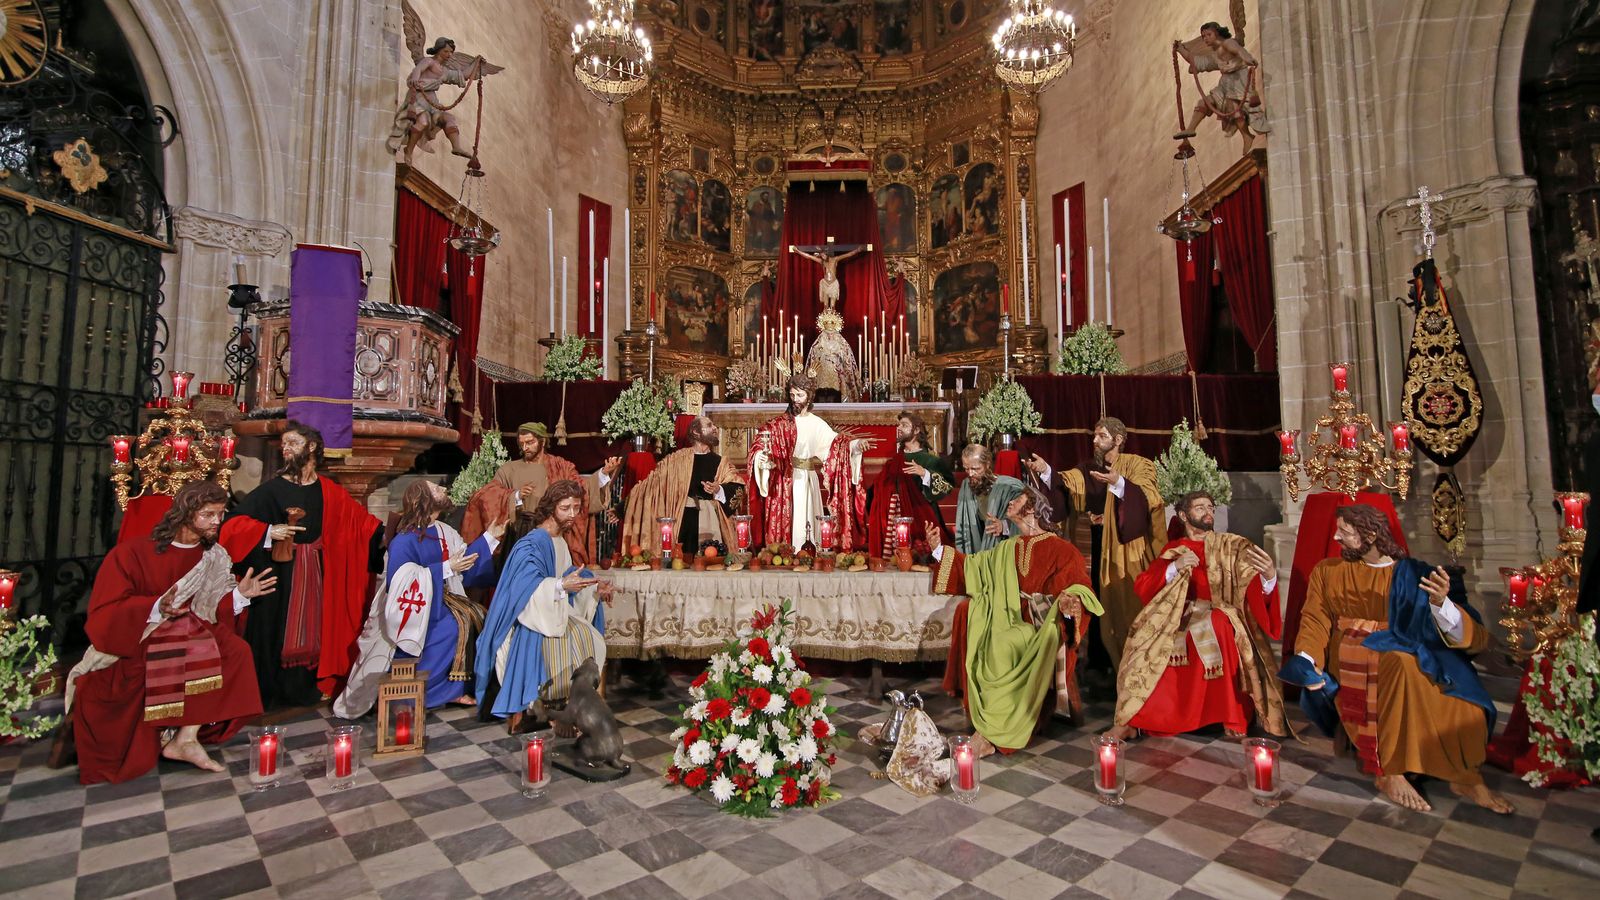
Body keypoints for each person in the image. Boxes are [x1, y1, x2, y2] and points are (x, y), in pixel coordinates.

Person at [1280, 504, 1513, 815]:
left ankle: (1464, 775)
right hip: (1352, 650)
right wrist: (1308, 662)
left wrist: (1440, 603)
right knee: (1399, 664)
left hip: (1406, 646)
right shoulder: (1328, 571)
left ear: (1372, 534)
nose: (1336, 537)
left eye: (1345, 533)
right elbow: (1314, 620)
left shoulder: (1414, 573)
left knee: (1458, 692)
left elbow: (1450, 628)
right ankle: (1390, 770)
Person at [70, 481, 274, 784]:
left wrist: (240, 597)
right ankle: (178, 737)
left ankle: (186, 737)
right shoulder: (133, 553)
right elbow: (106, 609)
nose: (217, 522)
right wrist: (155, 607)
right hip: (145, 634)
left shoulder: (214, 556)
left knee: (235, 650)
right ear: (184, 513)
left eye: (220, 514)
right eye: (208, 514)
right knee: (194, 646)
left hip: (195, 631)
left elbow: (214, 609)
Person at [221, 422, 383, 706]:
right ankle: (269, 694)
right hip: (278, 573)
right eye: (284, 444)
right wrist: (269, 532)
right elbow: (233, 525)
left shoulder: (329, 491)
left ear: (311, 447)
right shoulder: (271, 490)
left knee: (319, 626)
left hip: (317, 572)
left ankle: (309, 688)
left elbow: (362, 526)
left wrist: (395, 533)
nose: (286, 449)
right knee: (275, 628)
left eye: (293, 443)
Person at [928, 488, 1100, 755]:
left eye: (1016, 499)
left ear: (1032, 508)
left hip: (1040, 621)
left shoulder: (1062, 549)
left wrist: (1070, 601)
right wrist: (938, 550)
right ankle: (988, 723)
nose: (1009, 504)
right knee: (982, 626)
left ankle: (996, 731)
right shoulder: (1008, 547)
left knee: (1003, 644)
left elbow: (1079, 584)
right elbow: (973, 567)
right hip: (1004, 614)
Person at [1108, 491, 1287, 740]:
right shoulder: (1174, 549)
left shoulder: (1230, 546)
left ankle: (1231, 715)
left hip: (1219, 614)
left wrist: (1268, 576)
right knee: (1143, 643)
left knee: (1218, 623)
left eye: (1211, 507)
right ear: (1183, 515)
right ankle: (1134, 720)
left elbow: (1253, 589)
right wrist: (1175, 567)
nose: (1208, 512)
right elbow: (1144, 585)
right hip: (1178, 615)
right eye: (1200, 507)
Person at [334, 481, 504, 717]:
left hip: (443, 597)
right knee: (452, 627)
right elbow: (401, 579)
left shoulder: (444, 531)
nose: (444, 490)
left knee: (478, 615)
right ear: (423, 499)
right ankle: (417, 694)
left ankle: (456, 688)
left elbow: (462, 561)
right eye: (436, 489)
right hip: (415, 607)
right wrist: (445, 568)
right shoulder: (405, 539)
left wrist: (489, 539)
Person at [475, 480, 614, 733]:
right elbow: (524, 587)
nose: (572, 514)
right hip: (530, 618)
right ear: (551, 508)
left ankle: (573, 709)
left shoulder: (559, 540)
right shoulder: (532, 543)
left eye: (576, 507)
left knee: (586, 638)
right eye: (565, 508)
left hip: (554, 612)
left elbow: (568, 575)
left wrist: (593, 588)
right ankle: (554, 711)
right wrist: (560, 586)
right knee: (567, 644)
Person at [1059, 417, 1164, 671]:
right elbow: (1066, 482)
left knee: (1125, 603)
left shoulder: (1139, 464)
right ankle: (1099, 662)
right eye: (1094, 436)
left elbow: (1151, 497)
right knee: (1096, 603)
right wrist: (1045, 472)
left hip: (1126, 547)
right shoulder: (1088, 469)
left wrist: (1119, 483)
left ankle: (1134, 664)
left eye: (1102, 436)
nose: (1095, 441)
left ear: (1118, 440)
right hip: (1093, 547)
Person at [472, 422, 621, 564]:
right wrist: (515, 496)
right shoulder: (509, 470)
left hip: (555, 535)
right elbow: (488, 495)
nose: (525, 448)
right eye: (522, 443)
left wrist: (602, 474)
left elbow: (580, 489)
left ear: (542, 441)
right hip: (520, 535)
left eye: (530, 442)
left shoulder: (561, 466)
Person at [751, 372, 866, 549]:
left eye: (800, 395)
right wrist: (761, 456)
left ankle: (809, 553)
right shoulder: (778, 424)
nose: (795, 399)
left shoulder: (816, 423)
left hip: (807, 478)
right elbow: (760, 444)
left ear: (809, 396)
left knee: (808, 520)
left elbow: (836, 444)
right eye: (792, 395)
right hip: (784, 481)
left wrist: (857, 445)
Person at [621, 415, 741, 555]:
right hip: (682, 520)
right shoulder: (676, 460)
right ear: (696, 432)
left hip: (710, 520)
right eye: (709, 425)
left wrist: (719, 489)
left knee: (711, 561)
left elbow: (737, 486)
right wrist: (620, 508)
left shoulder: (722, 462)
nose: (715, 428)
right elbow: (650, 485)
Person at [1174, 21, 1270, 154]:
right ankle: (1191, 128)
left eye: (1208, 34)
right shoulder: (1214, 55)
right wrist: (1180, 49)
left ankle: (1246, 136)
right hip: (1225, 83)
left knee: (1235, 109)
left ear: (1217, 33)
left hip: (1238, 81)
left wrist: (1247, 58)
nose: (1205, 38)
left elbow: (1239, 50)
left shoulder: (1228, 43)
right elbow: (1197, 62)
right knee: (1205, 102)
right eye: (1203, 36)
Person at [865, 413, 954, 557]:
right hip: (894, 526)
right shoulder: (894, 461)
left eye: (904, 425)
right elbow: (877, 491)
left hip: (922, 522)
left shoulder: (932, 461)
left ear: (917, 430)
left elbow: (947, 487)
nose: (899, 428)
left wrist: (925, 474)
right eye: (899, 425)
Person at [954, 444, 1025, 554]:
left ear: (987, 464)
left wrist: (1004, 526)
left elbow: (1025, 518)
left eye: (975, 468)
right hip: (978, 548)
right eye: (966, 469)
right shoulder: (967, 485)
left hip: (1003, 549)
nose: (970, 473)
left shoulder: (1009, 487)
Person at [789, 242, 870, 311]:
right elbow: (809, 257)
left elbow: (849, 254)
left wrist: (858, 250)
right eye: (821, 256)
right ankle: (824, 324)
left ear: (827, 254)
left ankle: (834, 323)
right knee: (825, 306)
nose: (823, 257)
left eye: (824, 255)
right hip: (825, 284)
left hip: (833, 283)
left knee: (833, 306)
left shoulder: (835, 259)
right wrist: (798, 251)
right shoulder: (822, 262)